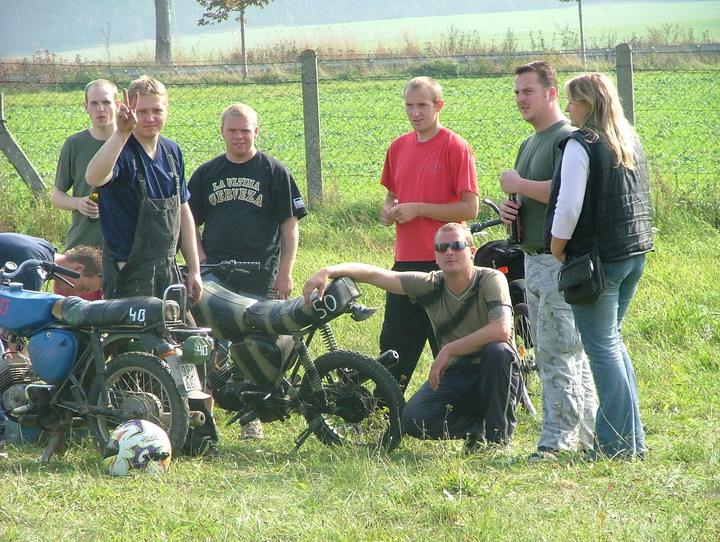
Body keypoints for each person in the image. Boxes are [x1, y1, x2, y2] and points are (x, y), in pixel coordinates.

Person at [303, 223, 519, 451]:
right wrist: (327, 271)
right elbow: (375, 275)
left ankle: (498, 440)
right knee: (413, 419)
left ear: (472, 251)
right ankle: (477, 428)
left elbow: (501, 330)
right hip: (457, 373)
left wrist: (448, 349)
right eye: (442, 247)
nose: (449, 252)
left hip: (495, 370)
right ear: (436, 256)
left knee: (497, 350)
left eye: (457, 245)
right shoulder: (429, 284)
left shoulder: (490, 279)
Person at [85, 76, 209, 455]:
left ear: (167, 110)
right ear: (130, 112)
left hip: (168, 269)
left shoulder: (171, 152)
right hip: (131, 274)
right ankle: (137, 434)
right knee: (137, 355)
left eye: (157, 110)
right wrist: (120, 133)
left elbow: (183, 210)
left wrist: (194, 267)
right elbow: (93, 177)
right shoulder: (120, 150)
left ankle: (195, 435)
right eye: (142, 111)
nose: (150, 118)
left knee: (190, 347)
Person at [546, 72, 653, 460]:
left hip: (599, 261)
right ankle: (632, 441)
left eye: (573, 101)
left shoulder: (582, 144)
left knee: (603, 348)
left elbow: (569, 205)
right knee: (612, 342)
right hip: (633, 254)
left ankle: (616, 447)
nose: (568, 108)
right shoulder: (627, 139)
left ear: (588, 104)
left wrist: (557, 246)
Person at [188, 103, 308, 440]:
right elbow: (188, 223)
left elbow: (290, 226)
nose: (239, 137)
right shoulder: (207, 173)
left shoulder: (274, 171)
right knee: (210, 347)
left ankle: (251, 417)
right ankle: (205, 418)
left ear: (256, 131)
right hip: (216, 276)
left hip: (261, 274)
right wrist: (201, 262)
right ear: (222, 132)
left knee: (253, 346)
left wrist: (285, 273)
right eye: (232, 130)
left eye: (245, 130)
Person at [498, 61, 597, 463]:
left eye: (528, 91)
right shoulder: (530, 143)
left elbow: (569, 191)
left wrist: (520, 185)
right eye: (517, 93)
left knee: (557, 354)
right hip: (533, 260)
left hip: (558, 261)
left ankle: (556, 441)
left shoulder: (566, 138)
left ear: (552, 93)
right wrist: (511, 208)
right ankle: (591, 434)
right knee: (563, 351)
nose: (520, 99)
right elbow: (534, 198)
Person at [378, 76, 479, 392]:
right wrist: (388, 210)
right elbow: (392, 195)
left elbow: (470, 208)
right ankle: (385, 412)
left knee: (449, 348)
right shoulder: (398, 147)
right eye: (409, 105)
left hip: (446, 263)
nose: (415, 113)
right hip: (405, 264)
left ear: (439, 106)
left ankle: (456, 412)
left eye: (422, 105)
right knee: (393, 346)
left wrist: (420, 209)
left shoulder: (455, 146)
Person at [52, 79, 119, 251]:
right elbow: (57, 195)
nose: (100, 108)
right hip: (83, 244)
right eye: (94, 103)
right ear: (86, 107)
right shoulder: (75, 143)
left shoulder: (131, 143)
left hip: (123, 245)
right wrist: (78, 203)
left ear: (117, 105)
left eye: (106, 102)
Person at [0, 232, 102, 295]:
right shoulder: (35, 269)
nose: (78, 294)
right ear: (78, 269)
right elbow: (17, 313)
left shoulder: (45, 248)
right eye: (82, 288)